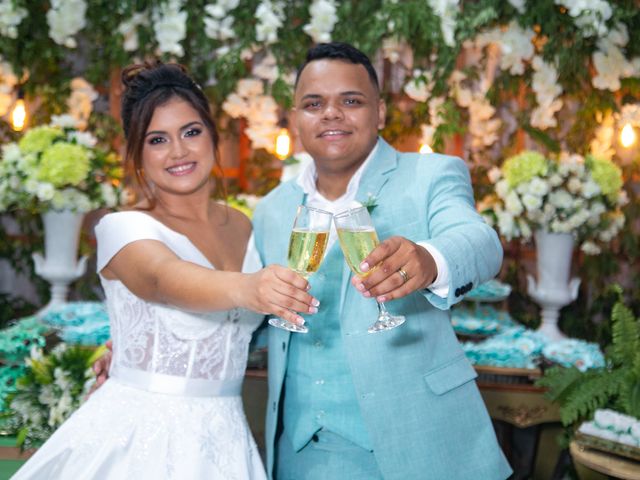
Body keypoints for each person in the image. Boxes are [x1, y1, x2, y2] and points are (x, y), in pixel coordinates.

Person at [11, 62, 317, 479]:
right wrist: (251, 288)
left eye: (190, 132)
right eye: (158, 140)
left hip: (227, 439)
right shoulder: (123, 228)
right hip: (141, 442)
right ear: (138, 154)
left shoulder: (244, 226)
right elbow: (165, 280)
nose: (178, 152)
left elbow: (239, 333)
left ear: (212, 134)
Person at [251, 42, 513, 479]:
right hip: (300, 452)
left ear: (381, 112)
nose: (331, 114)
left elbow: (481, 242)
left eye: (350, 101)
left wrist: (428, 260)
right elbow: (251, 315)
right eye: (313, 104)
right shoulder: (271, 209)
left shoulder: (431, 176)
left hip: (421, 445)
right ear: (295, 117)